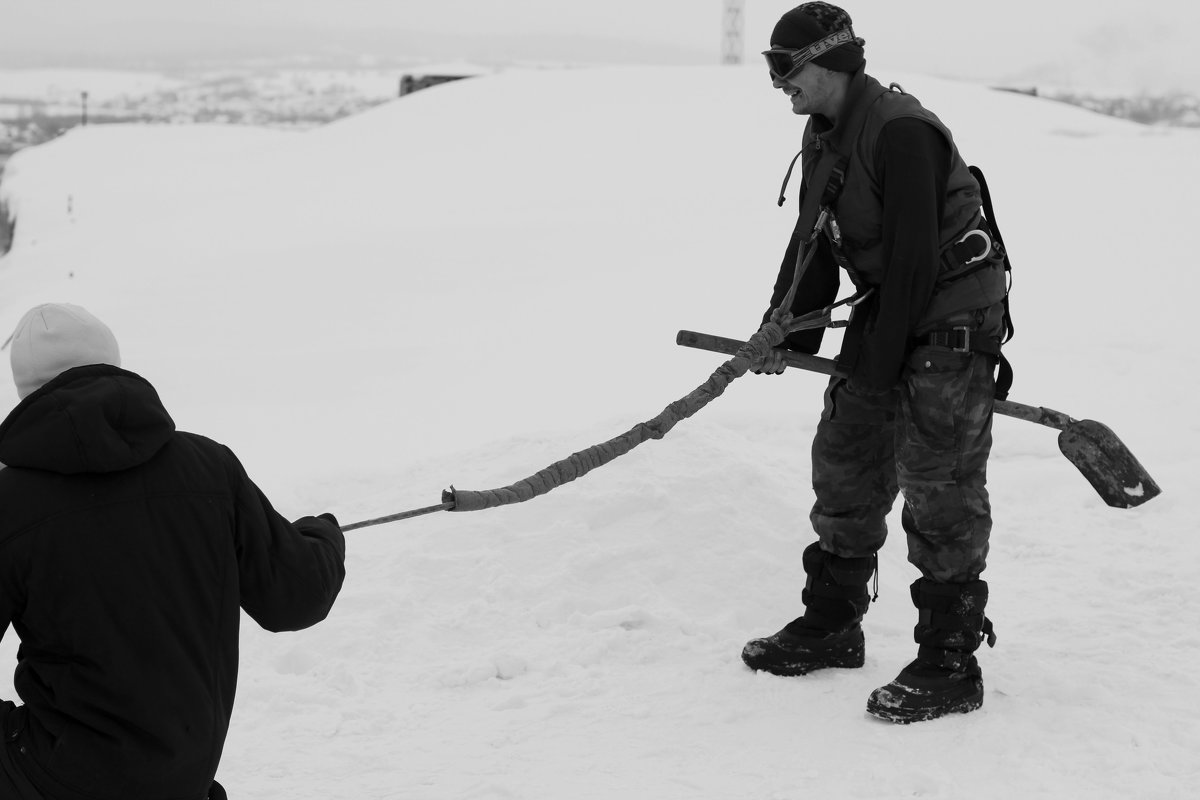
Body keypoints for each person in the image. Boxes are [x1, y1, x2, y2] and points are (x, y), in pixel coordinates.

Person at [739, 2, 1009, 724]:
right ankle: (832, 622)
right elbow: (814, 243)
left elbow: (919, 264)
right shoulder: (824, 131)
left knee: (937, 479)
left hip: (948, 314)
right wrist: (785, 332)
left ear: (829, 62)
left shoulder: (903, 132)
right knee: (847, 453)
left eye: (782, 66)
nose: (776, 83)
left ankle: (950, 660)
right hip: (890, 307)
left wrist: (881, 370)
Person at [0, 303, 347, 798]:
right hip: (182, 774)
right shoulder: (208, 469)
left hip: (56, 775)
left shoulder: (10, 503)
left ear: (25, 393)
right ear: (114, 366)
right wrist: (323, 537)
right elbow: (299, 593)